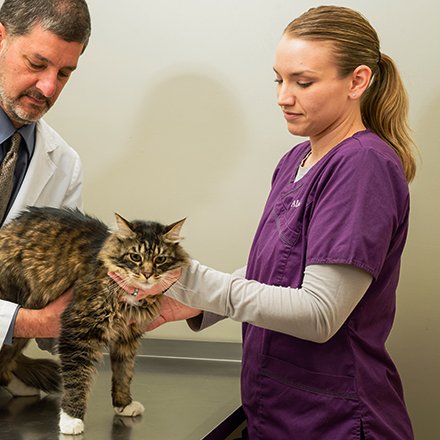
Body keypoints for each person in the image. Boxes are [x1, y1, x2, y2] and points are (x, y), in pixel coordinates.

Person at [110, 5, 416, 439]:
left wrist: (193, 279)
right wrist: (199, 302)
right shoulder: (297, 160)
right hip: (281, 410)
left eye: (303, 82)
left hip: (336, 421)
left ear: (358, 81)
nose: (283, 97)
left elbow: (320, 313)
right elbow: (281, 274)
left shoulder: (362, 165)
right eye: (279, 79)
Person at [0, 0, 91, 349]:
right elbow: (38, 321)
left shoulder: (65, 166)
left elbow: (54, 316)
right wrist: (29, 322)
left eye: (65, 73)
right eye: (37, 64)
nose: (49, 88)